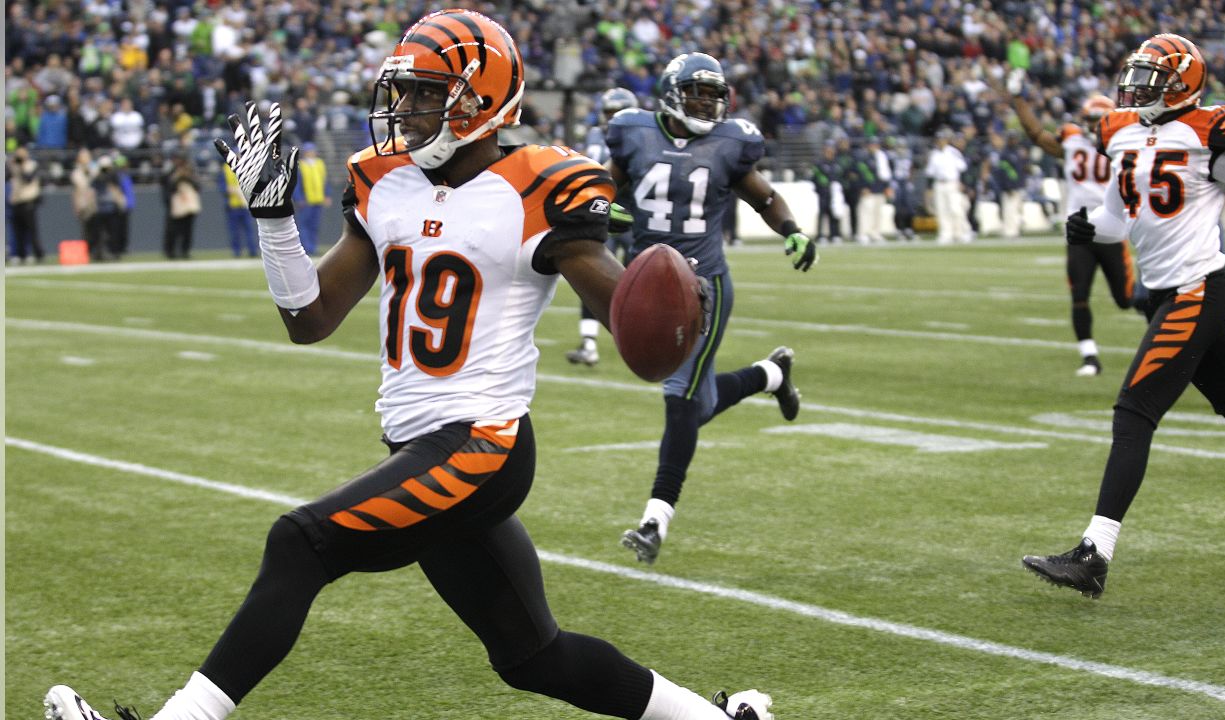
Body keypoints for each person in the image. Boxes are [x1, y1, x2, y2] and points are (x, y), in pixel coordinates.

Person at [44, 11, 773, 720]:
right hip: (421, 446)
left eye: (429, 91)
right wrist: (273, 217)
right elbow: (310, 317)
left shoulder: (537, 187)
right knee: (531, 657)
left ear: (483, 98)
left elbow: (630, 319)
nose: (406, 107)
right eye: (403, 89)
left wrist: (668, 312)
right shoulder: (385, 180)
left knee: (299, 542)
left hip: (481, 444)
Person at [1022, 34, 1225, 600]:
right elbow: (1119, 217)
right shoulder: (1120, 130)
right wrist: (1090, 227)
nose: (1137, 85)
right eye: (1136, 73)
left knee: (1134, 409)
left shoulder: (1212, 132)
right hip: (1163, 294)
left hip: (1197, 287)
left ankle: (1094, 554)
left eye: (1151, 75)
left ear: (1182, 80)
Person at [607, 51, 815, 565]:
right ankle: (770, 374)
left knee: (679, 400)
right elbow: (602, 185)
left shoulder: (730, 143)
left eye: (713, 94)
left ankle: (655, 520)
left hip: (704, 287)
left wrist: (791, 230)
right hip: (647, 282)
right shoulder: (632, 132)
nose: (707, 103)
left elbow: (764, 199)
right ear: (672, 93)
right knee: (695, 404)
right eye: (697, 92)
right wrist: (603, 206)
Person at [1007, 87, 1140, 376]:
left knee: (1126, 299)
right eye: (1090, 120)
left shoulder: (1125, 143)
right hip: (1079, 228)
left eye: (1099, 120)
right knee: (1079, 293)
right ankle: (1089, 356)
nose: (1093, 126)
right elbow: (1037, 135)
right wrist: (1018, 99)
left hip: (1112, 228)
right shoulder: (1072, 140)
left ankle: (1163, 315)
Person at [567, 86, 638, 367]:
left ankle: (644, 340)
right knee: (590, 275)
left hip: (632, 215)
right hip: (600, 213)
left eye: (617, 112)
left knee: (640, 282)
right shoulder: (596, 134)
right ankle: (589, 343)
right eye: (609, 112)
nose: (612, 118)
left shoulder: (639, 137)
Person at [923, 129, 969, 244]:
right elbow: (930, 173)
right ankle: (945, 233)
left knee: (955, 208)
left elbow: (962, 169)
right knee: (942, 210)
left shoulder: (953, 152)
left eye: (942, 139)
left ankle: (961, 232)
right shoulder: (934, 154)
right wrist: (929, 189)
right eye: (939, 139)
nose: (940, 141)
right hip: (939, 184)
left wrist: (962, 183)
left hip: (952, 183)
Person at [6, 145, 44, 263]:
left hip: (28, 201)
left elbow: (28, 179)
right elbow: (6, 177)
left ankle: (38, 254)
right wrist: (11, 165)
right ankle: (20, 254)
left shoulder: (32, 165)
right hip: (17, 200)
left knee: (32, 230)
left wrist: (21, 166)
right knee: (18, 230)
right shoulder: (13, 166)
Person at [853, 136, 892, 245]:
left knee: (877, 213)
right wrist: (863, 187)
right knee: (865, 213)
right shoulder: (863, 158)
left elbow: (885, 174)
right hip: (868, 190)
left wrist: (886, 187)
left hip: (879, 189)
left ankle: (875, 233)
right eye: (871, 144)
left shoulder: (881, 157)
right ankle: (862, 234)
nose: (873, 147)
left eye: (875, 144)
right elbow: (860, 174)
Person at [163, 155, 201, 259]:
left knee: (187, 231)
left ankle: (185, 251)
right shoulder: (171, 172)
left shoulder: (190, 172)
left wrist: (187, 177)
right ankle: (170, 252)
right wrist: (177, 177)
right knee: (173, 230)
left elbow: (198, 186)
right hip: (175, 206)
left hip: (188, 206)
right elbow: (167, 187)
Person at [293, 142, 327, 255]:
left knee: (314, 225)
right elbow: (296, 184)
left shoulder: (319, 163)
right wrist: (299, 198)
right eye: (309, 151)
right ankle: (307, 247)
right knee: (304, 225)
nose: (311, 153)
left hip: (318, 199)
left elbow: (324, 181)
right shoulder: (300, 165)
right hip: (306, 201)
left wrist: (326, 195)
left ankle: (313, 247)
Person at [218, 161, 258, 257]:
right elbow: (222, 187)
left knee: (249, 230)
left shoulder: (246, 167)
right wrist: (228, 190)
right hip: (233, 205)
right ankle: (237, 252)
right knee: (235, 231)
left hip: (245, 204)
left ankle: (252, 251)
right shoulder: (225, 170)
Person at [810, 143, 842, 244]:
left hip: (835, 192)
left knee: (835, 213)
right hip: (823, 192)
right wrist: (821, 186)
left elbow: (840, 176)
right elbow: (815, 177)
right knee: (822, 213)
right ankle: (821, 235)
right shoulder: (819, 163)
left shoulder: (836, 163)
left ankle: (835, 234)